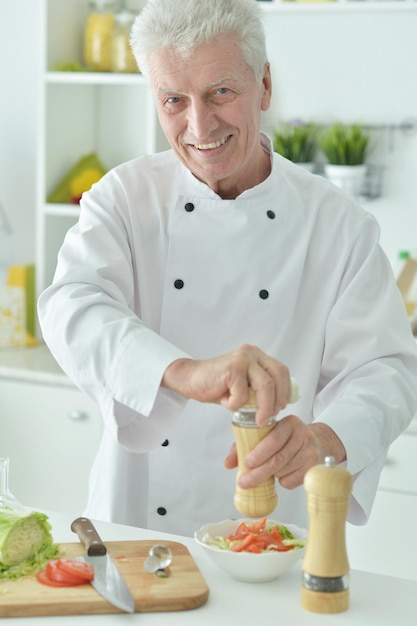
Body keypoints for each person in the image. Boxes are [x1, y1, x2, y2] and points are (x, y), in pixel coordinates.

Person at [38, 0, 417, 537]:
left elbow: (386, 369)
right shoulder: (123, 198)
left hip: (275, 532)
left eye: (221, 91)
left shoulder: (339, 224)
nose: (200, 125)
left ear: (264, 85)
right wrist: (185, 373)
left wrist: (325, 439)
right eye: (174, 100)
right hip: (136, 527)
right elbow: (70, 304)